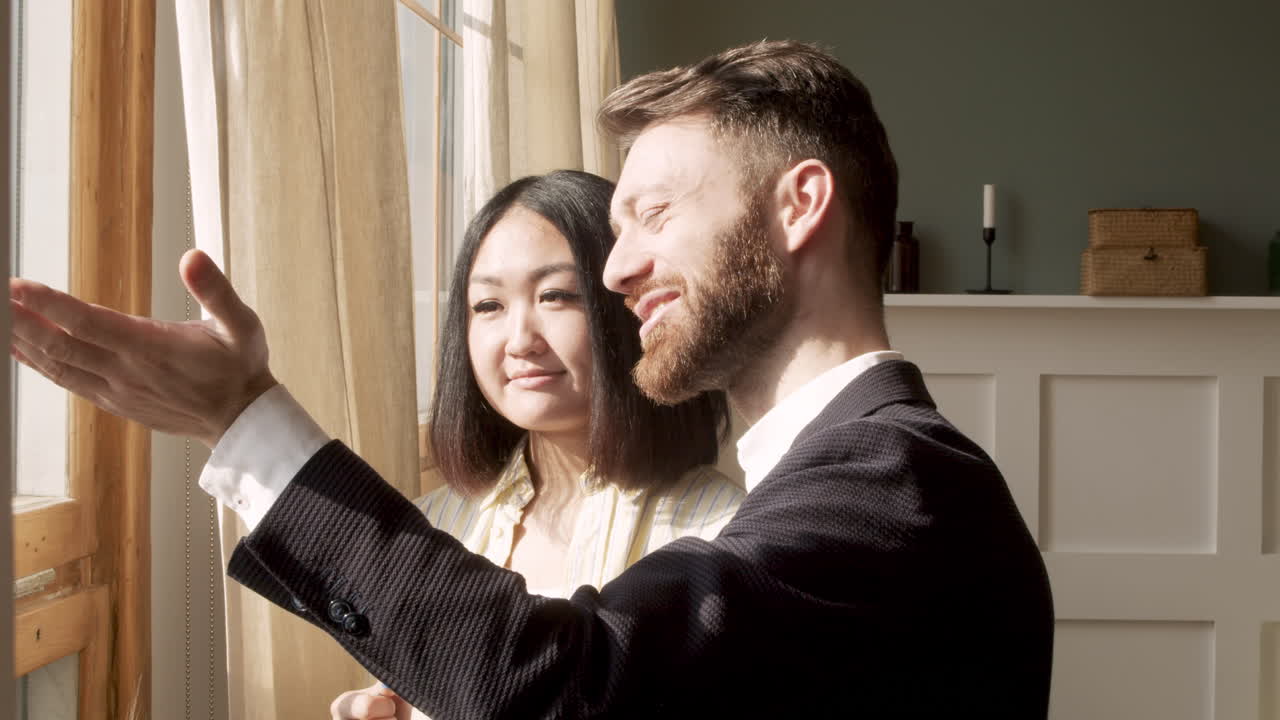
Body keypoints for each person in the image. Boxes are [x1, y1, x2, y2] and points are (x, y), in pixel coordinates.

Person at [10, 40, 1054, 718]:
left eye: (651, 214)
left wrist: (243, 420)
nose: (614, 267)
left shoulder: (896, 492)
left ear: (799, 205)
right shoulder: (858, 479)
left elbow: (569, 685)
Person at [328, 170, 744, 720]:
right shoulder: (429, 529)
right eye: (488, 306)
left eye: (556, 295)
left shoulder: (725, 535)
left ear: (633, 312)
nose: (520, 340)